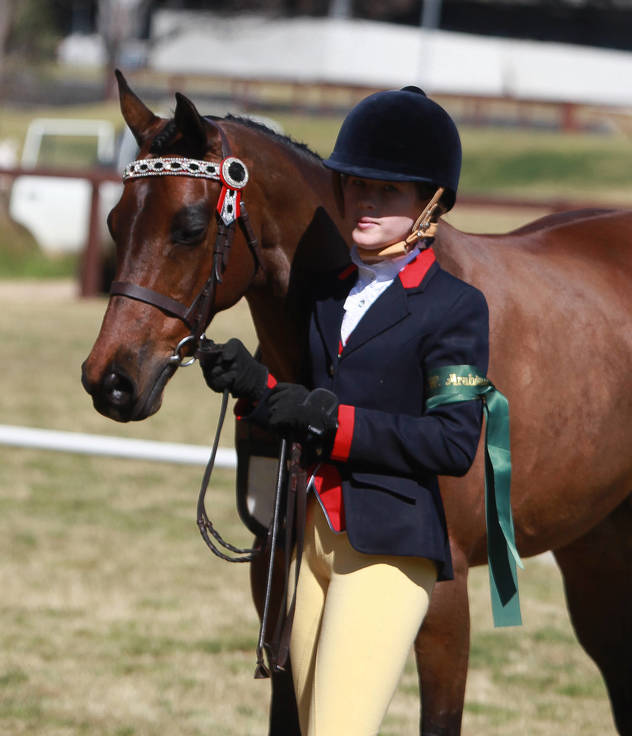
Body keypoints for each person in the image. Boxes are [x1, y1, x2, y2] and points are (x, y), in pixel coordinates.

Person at [199, 86, 489, 736]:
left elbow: (452, 442)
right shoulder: (329, 297)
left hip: (391, 549)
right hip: (315, 541)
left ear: (430, 202)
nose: (365, 201)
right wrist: (251, 385)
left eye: (388, 190)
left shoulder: (456, 307)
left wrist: (331, 421)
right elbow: (305, 406)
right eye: (357, 185)